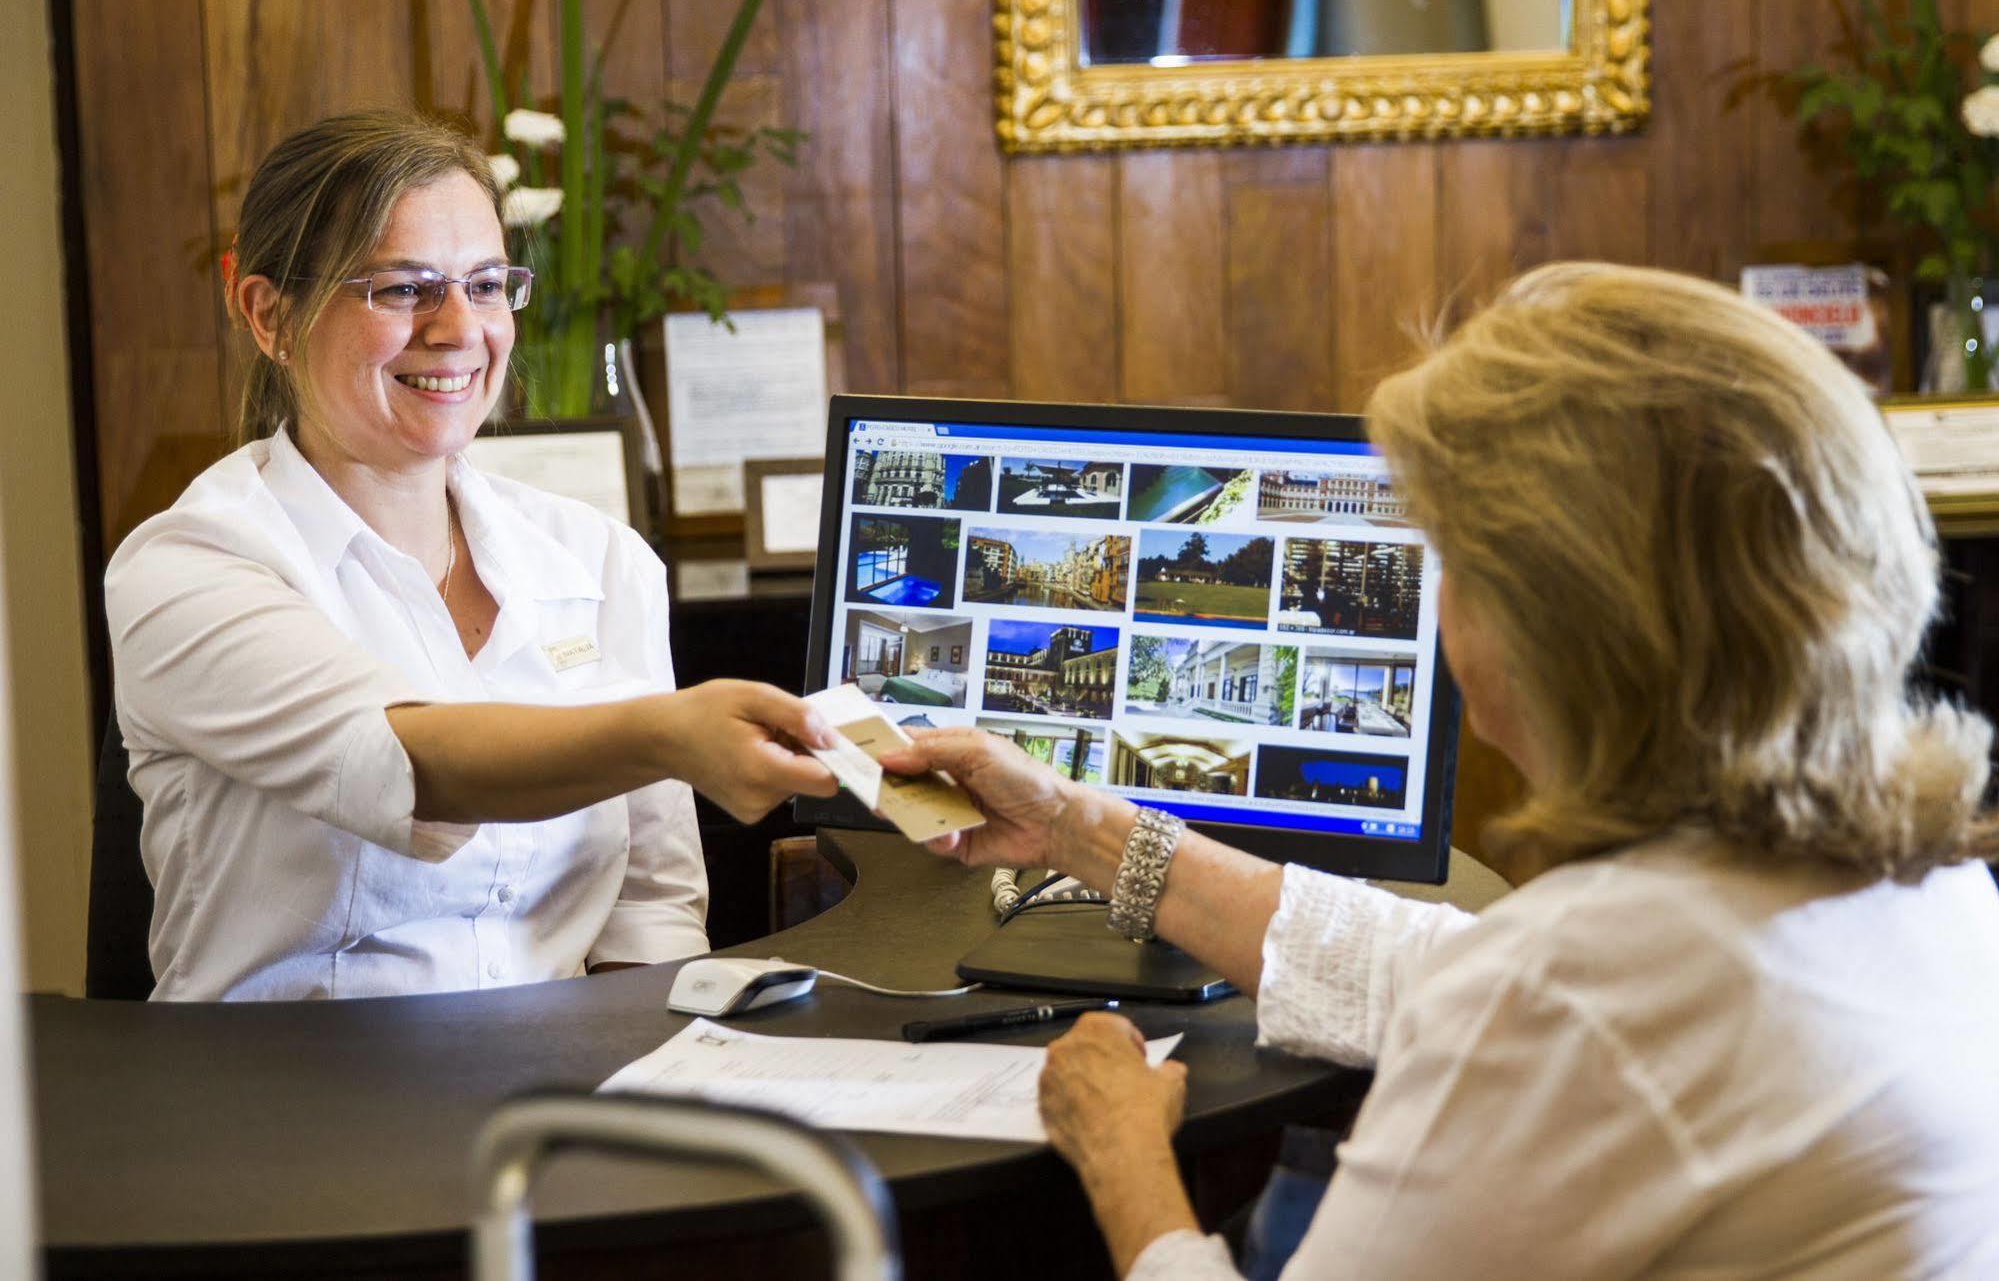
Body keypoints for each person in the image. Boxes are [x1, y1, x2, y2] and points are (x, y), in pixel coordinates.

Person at [882, 264, 1999, 1278]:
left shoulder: (1576, 996)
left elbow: (1519, 1002)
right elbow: (1439, 969)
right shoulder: (1935, 890)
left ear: (1558, 625)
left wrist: (1125, 1159)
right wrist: (1082, 828)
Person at [105, 110, 837, 1002]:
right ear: (269, 314)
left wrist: (646, 1093)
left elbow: (650, 909)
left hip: (564, 1092)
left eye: (485, 285)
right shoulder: (189, 565)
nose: (458, 329)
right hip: (289, 1102)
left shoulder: (600, 558)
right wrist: (668, 734)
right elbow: (415, 767)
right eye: (401, 288)